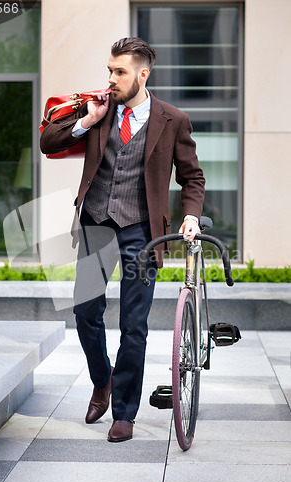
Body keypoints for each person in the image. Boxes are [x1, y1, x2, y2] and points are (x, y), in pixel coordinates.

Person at [40, 37, 205, 443]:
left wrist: (190, 216)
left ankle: (124, 414)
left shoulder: (173, 119)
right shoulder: (99, 107)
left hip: (141, 231)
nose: (111, 79)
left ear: (142, 74)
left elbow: (192, 178)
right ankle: (103, 380)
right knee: (85, 313)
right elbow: (48, 143)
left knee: (134, 326)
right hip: (97, 221)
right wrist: (86, 121)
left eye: (120, 72)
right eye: (109, 70)